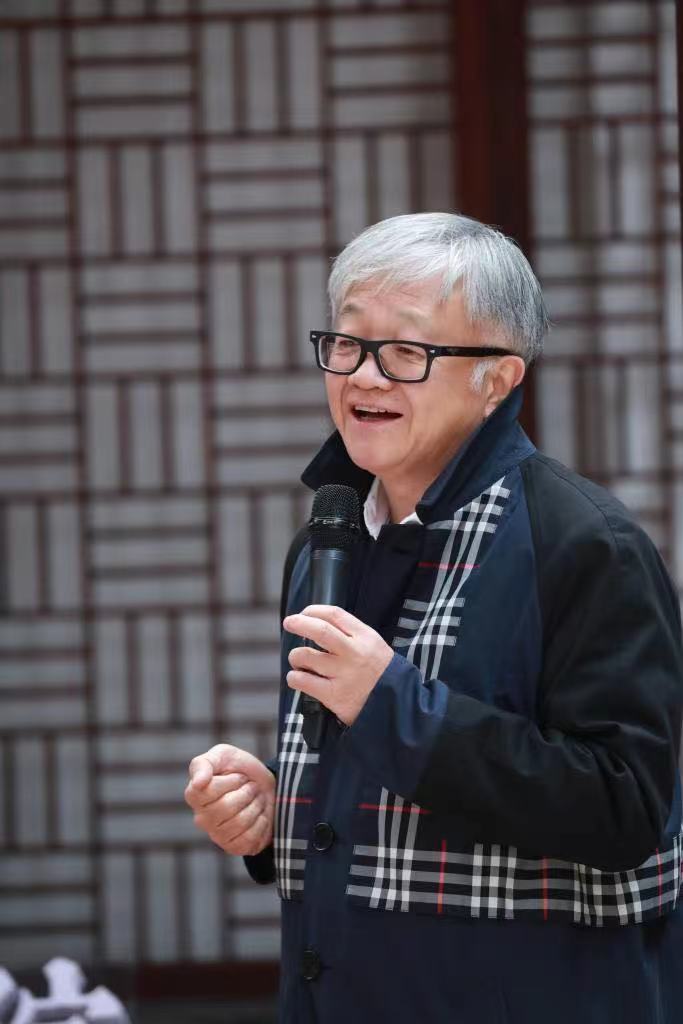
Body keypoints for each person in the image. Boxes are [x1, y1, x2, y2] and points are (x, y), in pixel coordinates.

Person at [185, 213, 683, 1023]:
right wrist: (281, 812)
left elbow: (622, 807)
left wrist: (391, 706)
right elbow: (378, 764)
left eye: (406, 352)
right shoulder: (326, 539)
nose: (364, 377)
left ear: (497, 378)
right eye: (347, 343)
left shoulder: (584, 543)